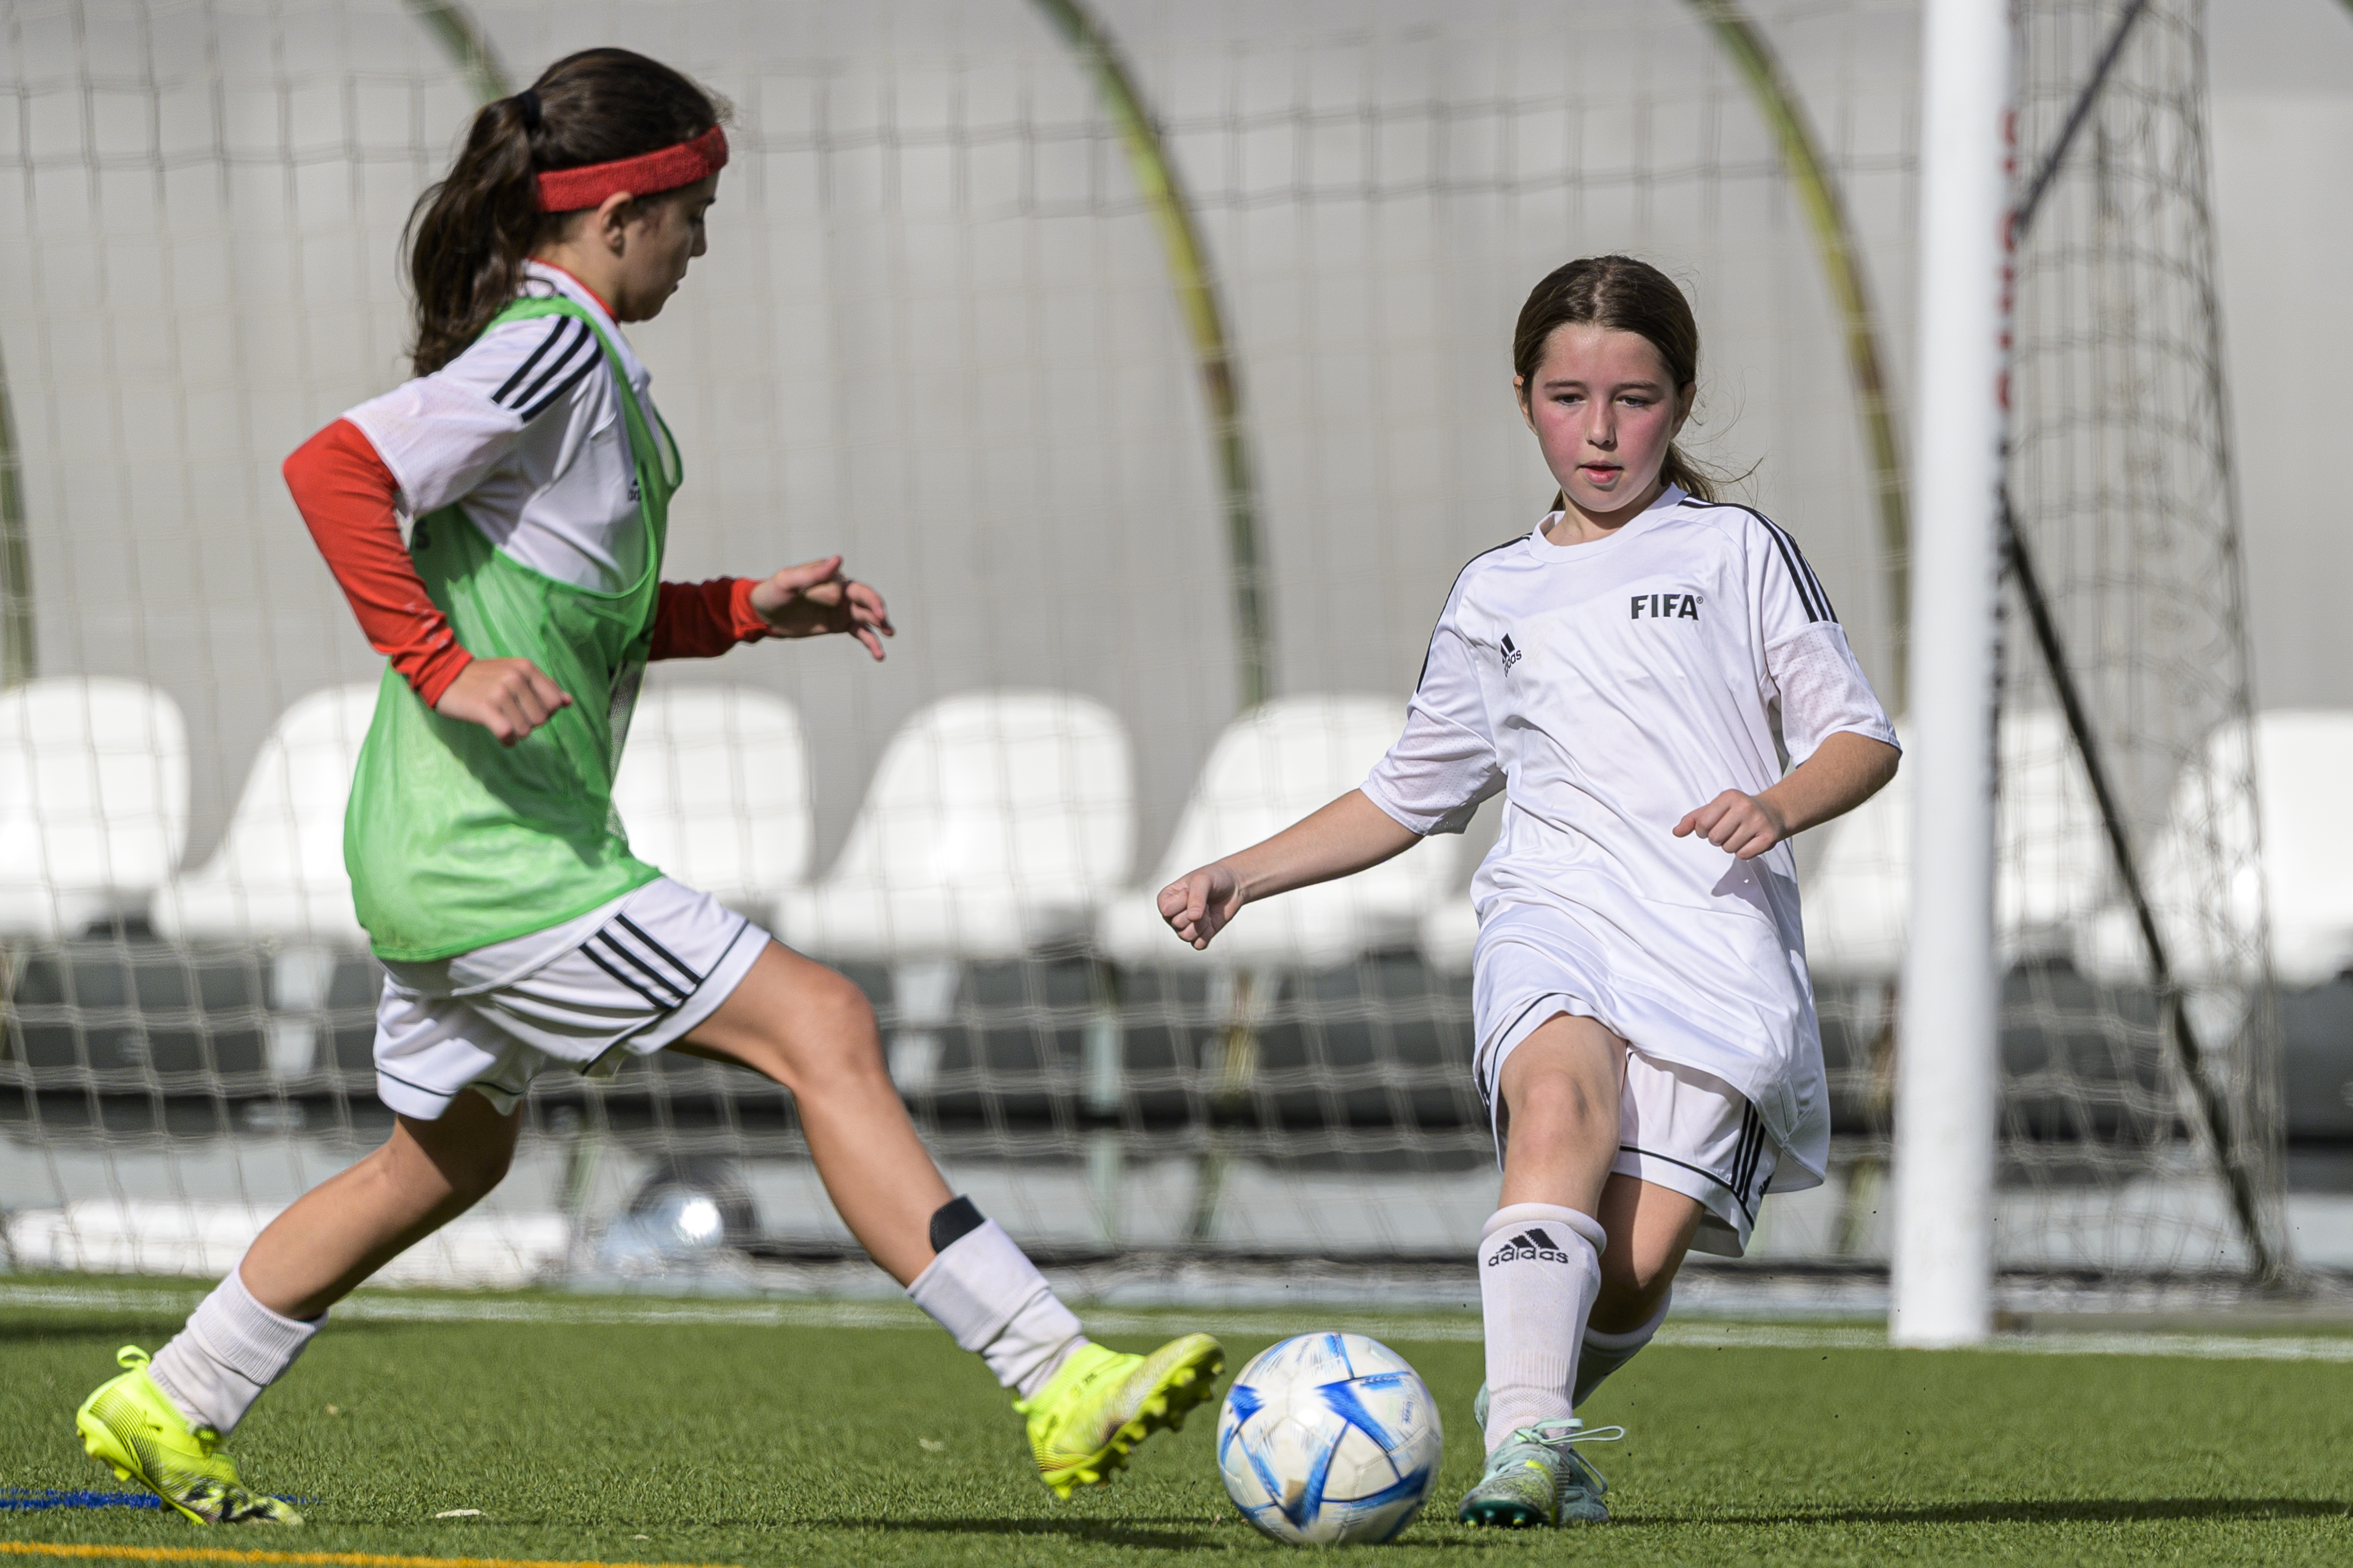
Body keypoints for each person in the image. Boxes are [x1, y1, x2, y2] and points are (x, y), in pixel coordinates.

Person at [74, 47, 1219, 1526]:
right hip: (494, 859)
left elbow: (583, 609)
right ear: (618, 212)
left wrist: (745, 608)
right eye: (691, 209)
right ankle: (1056, 1374)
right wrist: (437, 665)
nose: (701, 240)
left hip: (456, 849)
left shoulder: (593, 373)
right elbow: (331, 469)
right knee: (825, 1023)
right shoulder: (546, 351)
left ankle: (172, 1398)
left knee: (453, 1153)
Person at [1158, 254, 1899, 1529]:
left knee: (1632, 1266)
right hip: (1549, 908)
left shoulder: (1734, 551)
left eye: (1633, 398)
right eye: (1568, 398)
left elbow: (1861, 737)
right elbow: (1412, 789)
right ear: (1523, 399)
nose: (1600, 432)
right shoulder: (1494, 592)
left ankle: (1546, 1405)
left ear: (1679, 400)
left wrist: (1773, 805)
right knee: (1554, 1105)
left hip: (1709, 932)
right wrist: (1245, 870)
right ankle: (1523, 1447)